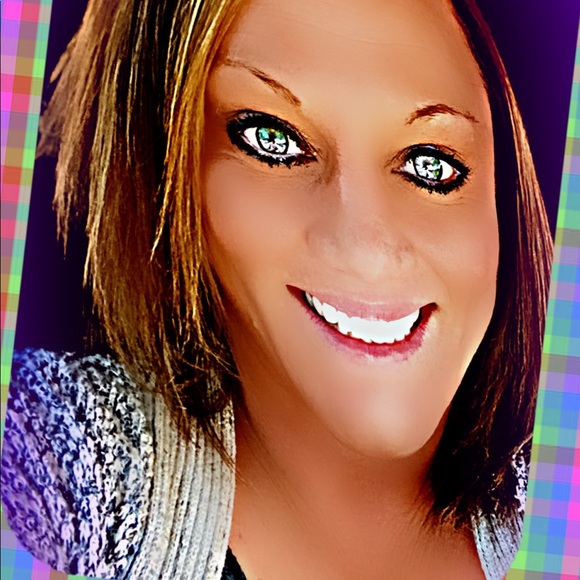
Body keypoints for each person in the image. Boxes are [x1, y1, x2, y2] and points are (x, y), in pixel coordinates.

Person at [1, 0, 553, 578]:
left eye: (430, 164)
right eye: (271, 140)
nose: (364, 247)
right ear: (163, 164)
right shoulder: (68, 454)